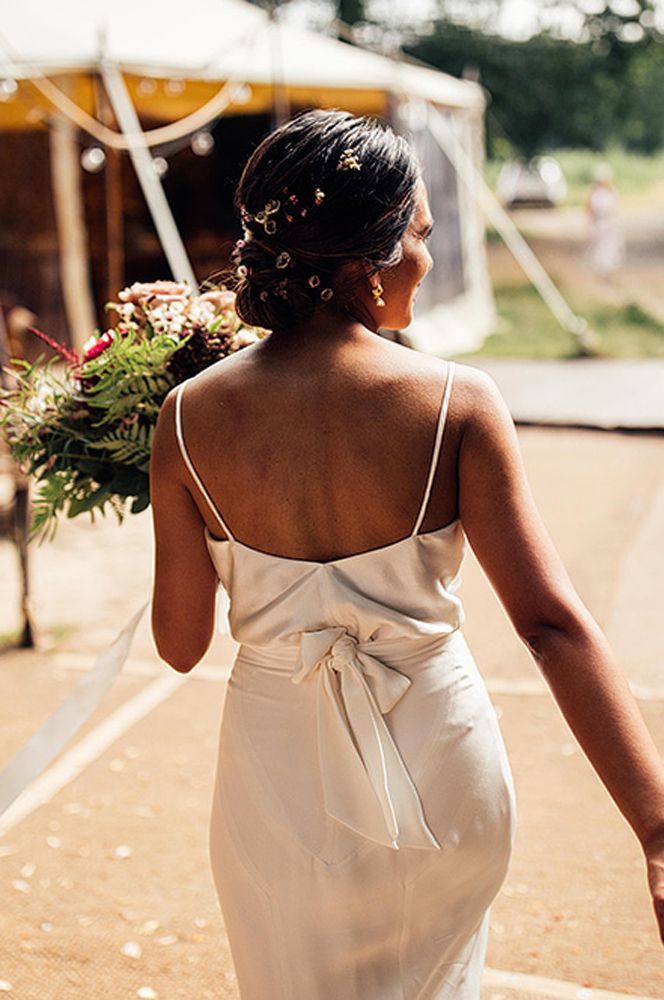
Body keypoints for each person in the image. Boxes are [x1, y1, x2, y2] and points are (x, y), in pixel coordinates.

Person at [150, 109, 664, 998]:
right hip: (439, 753)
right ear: (365, 258)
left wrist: (178, 494)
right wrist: (657, 828)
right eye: (419, 233)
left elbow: (181, 642)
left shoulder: (188, 417)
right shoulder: (458, 402)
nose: (426, 257)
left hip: (274, 780)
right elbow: (549, 625)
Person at [585, 163, 625, 276]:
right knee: (598, 244)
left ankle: (609, 266)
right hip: (598, 222)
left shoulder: (612, 191)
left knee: (610, 244)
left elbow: (616, 208)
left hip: (610, 221)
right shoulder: (593, 192)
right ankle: (600, 267)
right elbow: (589, 209)